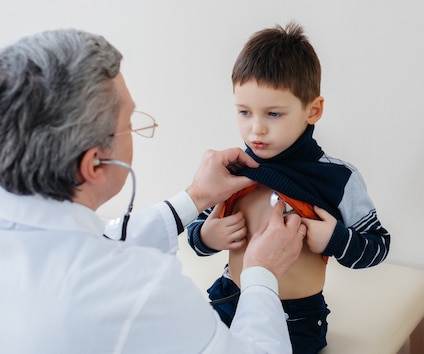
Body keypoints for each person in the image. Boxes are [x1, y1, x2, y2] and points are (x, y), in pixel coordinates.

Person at [0, 28, 307, 354]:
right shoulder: (142, 289)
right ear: (94, 164)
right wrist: (261, 273)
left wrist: (196, 197)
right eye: (130, 123)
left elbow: (99, 241)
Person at [187, 22, 391, 353]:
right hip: (228, 299)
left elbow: (377, 247)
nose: (257, 128)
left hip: (295, 320)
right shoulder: (234, 170)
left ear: (313, 110)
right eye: (244, 111)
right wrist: (207, 237)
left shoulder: (336, 178)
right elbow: (197, 235)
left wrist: (337, 240)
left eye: (274, 114)